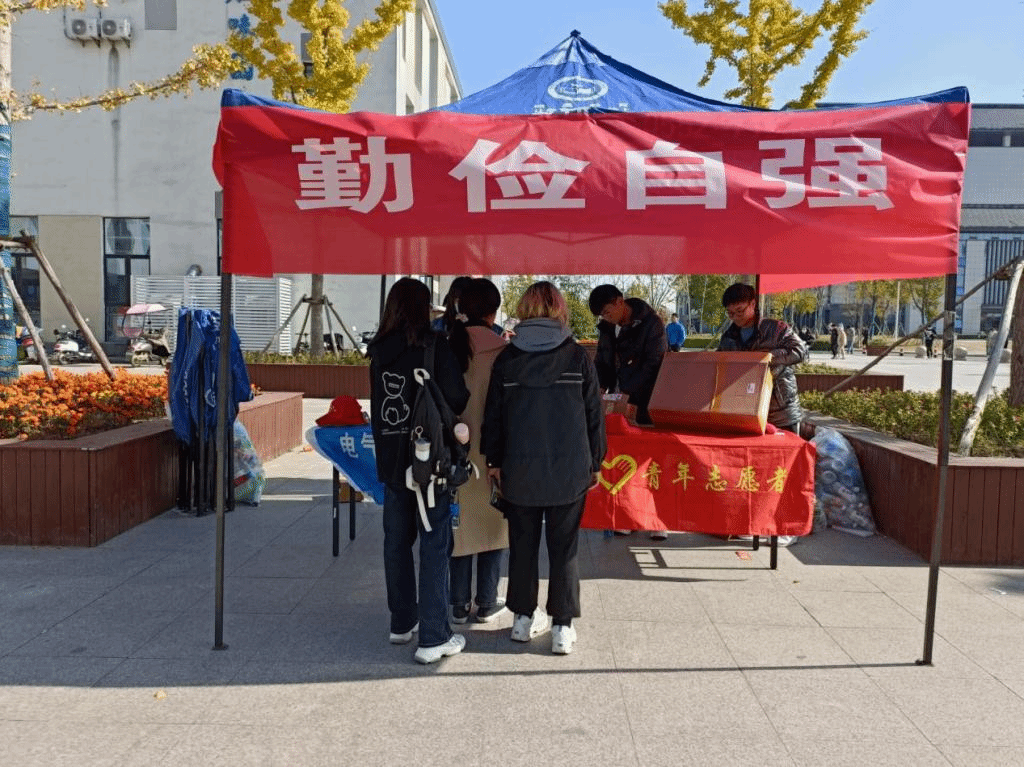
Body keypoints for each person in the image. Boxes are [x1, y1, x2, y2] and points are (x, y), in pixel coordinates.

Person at [482, 281, 606, 655]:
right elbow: (594, 414)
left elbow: (494, 416)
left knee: (522, 546)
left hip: (519, 468)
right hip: (570, 467)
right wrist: (596, 461)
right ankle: (562, 627)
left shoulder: (507, 359)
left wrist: (494, 461)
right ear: (559, 310)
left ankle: (522, 619)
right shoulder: (577, 357)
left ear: (524, 310)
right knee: (564, 548)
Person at [367, 278, 470, 665]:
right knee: (434, 542)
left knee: (395, 541)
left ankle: (401, 621)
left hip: (392, 459)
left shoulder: (378, 351)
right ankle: (433, 636)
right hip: (429, 461)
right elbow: (457, 396)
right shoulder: (433, 346)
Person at [717, 283, 808, 547]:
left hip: (781, 409)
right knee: (754, 471)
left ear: (753, 304)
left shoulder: (775, 329)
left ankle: (787, 526)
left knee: (785, 471)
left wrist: (766, 357)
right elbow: (721, 365)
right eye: (730, 313)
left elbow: (800, 351)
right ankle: (755, 522)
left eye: (740, 310)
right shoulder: (729, 336)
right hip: (747, 409)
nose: (736, 317)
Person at [446, 278, 509, 625]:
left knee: (459, 525)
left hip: (454, 453)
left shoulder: (447, 345)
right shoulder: (503, 351)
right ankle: (486, 601)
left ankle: (457, 603)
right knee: (493, 522)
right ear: (492, 312)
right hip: (493, 453)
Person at [588, 283, 668, 539]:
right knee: (626, 458)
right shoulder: (607, 328)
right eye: (602, 315)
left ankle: (657, 520)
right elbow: (602, 361)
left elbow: (654, 363)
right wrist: (600, 387)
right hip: (617, 401)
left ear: (619, 302)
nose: (606, 318)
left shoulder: (651, 324)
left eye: (607, 312)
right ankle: (628, 516)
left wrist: (629, 392)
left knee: (651, 461)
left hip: (646, 400)